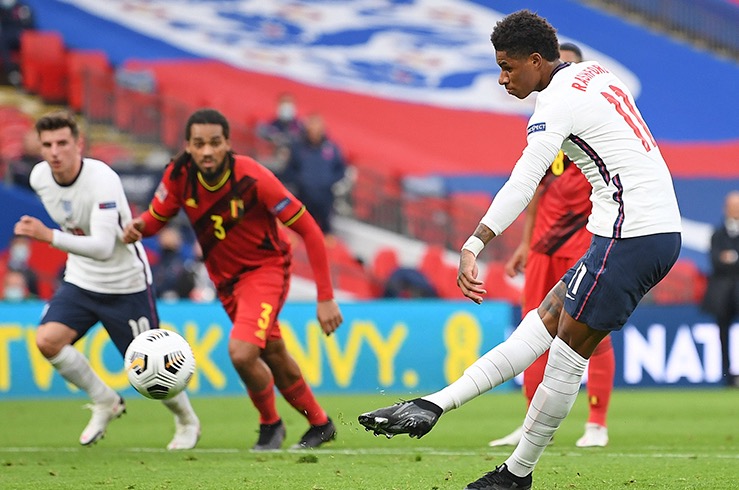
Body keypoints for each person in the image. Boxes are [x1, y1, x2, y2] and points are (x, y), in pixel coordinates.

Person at [358, 10, 682, 490]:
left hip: (631, 233)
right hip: (639, 228)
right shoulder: (595, 73)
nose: (502, 77)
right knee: (544, 321)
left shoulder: (555, 103)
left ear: (536, 60)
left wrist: (473, 244)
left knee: (567, 353)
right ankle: (435, 404)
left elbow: (523, 180)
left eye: (508, 67)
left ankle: (517, 474)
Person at [122, 108, 344, 450]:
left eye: (215, 142)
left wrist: (325, 296)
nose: (207, 151)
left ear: (228, 143)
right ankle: (320, 423)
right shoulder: (179, 173)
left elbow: (310, 230)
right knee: (271, 351)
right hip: (225, 280)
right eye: (199, 144)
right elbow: (157, 217)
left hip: (265, 269)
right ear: (189, 146)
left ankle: (270, 425)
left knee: (242, 353)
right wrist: (140, 227)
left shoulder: (253, 177)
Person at [13, 110, 200, 450]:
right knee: (47, 341)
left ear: (79, 144)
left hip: (125, 283)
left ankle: (187, 420)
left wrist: (48, 236)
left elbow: (101, 246)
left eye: (62, 143)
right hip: (81, 280)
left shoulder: (102, 180)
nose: (55, 152)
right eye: (47, 145)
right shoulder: (40, 177)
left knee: (152, 370)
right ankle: (105, 400)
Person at [488, 42, 614, 449]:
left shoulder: (597, 119)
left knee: (594, 333)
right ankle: (529, 423)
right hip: (544, 244)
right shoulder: (545, 123)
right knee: (532, 330)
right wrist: (525, 244)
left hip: (584, 239)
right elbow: (536, 187)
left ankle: (596, 422)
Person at [281, 113, 347, 235]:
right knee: (301, 231)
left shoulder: (332, 148)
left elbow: (341, 170)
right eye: (312, 128)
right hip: (303, 197)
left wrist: (328, 182)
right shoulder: (298, 147)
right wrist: (301, 181)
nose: (315, 131)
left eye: (318, 128)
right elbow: (288, 171)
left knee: (324, 234)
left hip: (325, 199)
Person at [701, 190, 739, 388]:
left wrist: (730, 258)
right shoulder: (718, 233)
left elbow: (725, 259)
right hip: (722, 295)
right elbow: (716, 261)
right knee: (722, 335)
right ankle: (728, 375)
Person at [256, 92, 305, 173]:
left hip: (295, 166)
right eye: (283, 103)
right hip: (276, 164)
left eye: (289, 103)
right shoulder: (272, 125)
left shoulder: (300, 126)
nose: (286, 107)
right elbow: (262, 135)